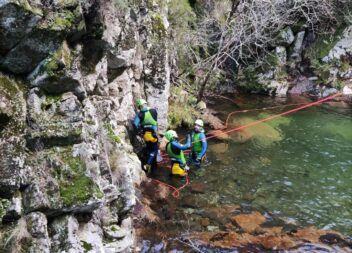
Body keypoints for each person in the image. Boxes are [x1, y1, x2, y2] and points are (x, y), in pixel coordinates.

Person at [133, 98, 159, 173]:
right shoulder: (153, 111)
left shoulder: (140, 114)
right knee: (154, 150)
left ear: (139, 107)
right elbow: (155, 120)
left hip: (145, 135)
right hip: (153, 135)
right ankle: (149, 164)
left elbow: (135, 124)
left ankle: (147, 163)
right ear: (145, 104)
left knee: (149, 147)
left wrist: (139, 131)